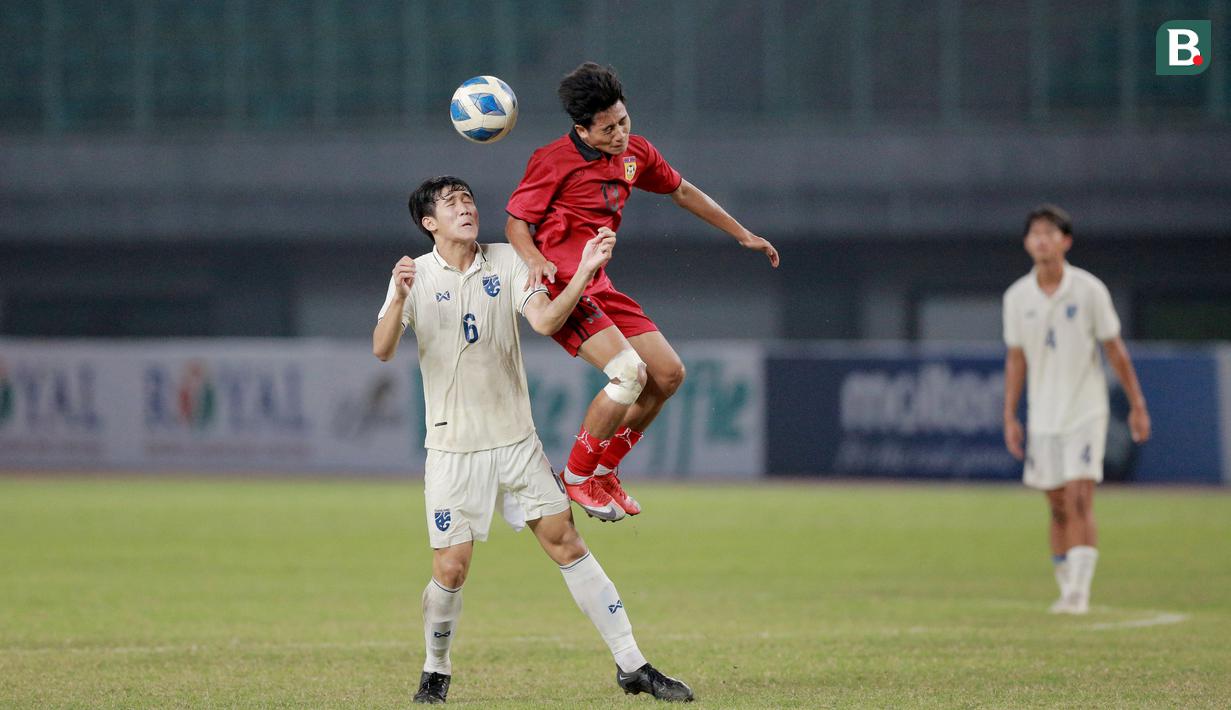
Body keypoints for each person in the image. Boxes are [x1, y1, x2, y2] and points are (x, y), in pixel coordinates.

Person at [373, 176, 694, 703]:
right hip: (453, 449)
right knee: (451, 568)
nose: (467, 207)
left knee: (566, 543)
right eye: (452, 203)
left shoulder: (506, 260)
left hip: (516, 441)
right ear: (429, 222)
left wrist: (584, 273)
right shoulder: (414, 274)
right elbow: (383, 350)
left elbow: (545, 318)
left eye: (470, 200)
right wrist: (397, 298)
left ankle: (632, 664)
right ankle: (436, 669)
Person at [505, 62, 780, 521]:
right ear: (582, 130)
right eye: (608, 128)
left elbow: (683, 191)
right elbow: (517, 223)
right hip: (564, 287)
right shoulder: (552, 160)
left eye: (624, 121)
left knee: (669, 375)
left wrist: (742, 233)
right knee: (629, 373)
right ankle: (574, 478)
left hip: (601, 285)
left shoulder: (637, 154)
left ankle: (606, 468)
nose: (619, 134)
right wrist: (534, 259)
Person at [1002, 204, 1151, 615]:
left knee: (1080, 496)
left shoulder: (1089, 291)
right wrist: (1010, 415)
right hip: (1044, 415)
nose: (1042, 240)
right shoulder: (1017, 297)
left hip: (1086, 410)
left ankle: (1079, 594)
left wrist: (1137, 405)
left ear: (1065, 241)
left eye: (1050, 232)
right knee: (1056, 504)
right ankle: (1065, 584)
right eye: (1035, 233)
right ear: (1027, 242)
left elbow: (1115, 350)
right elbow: (1016, 360)